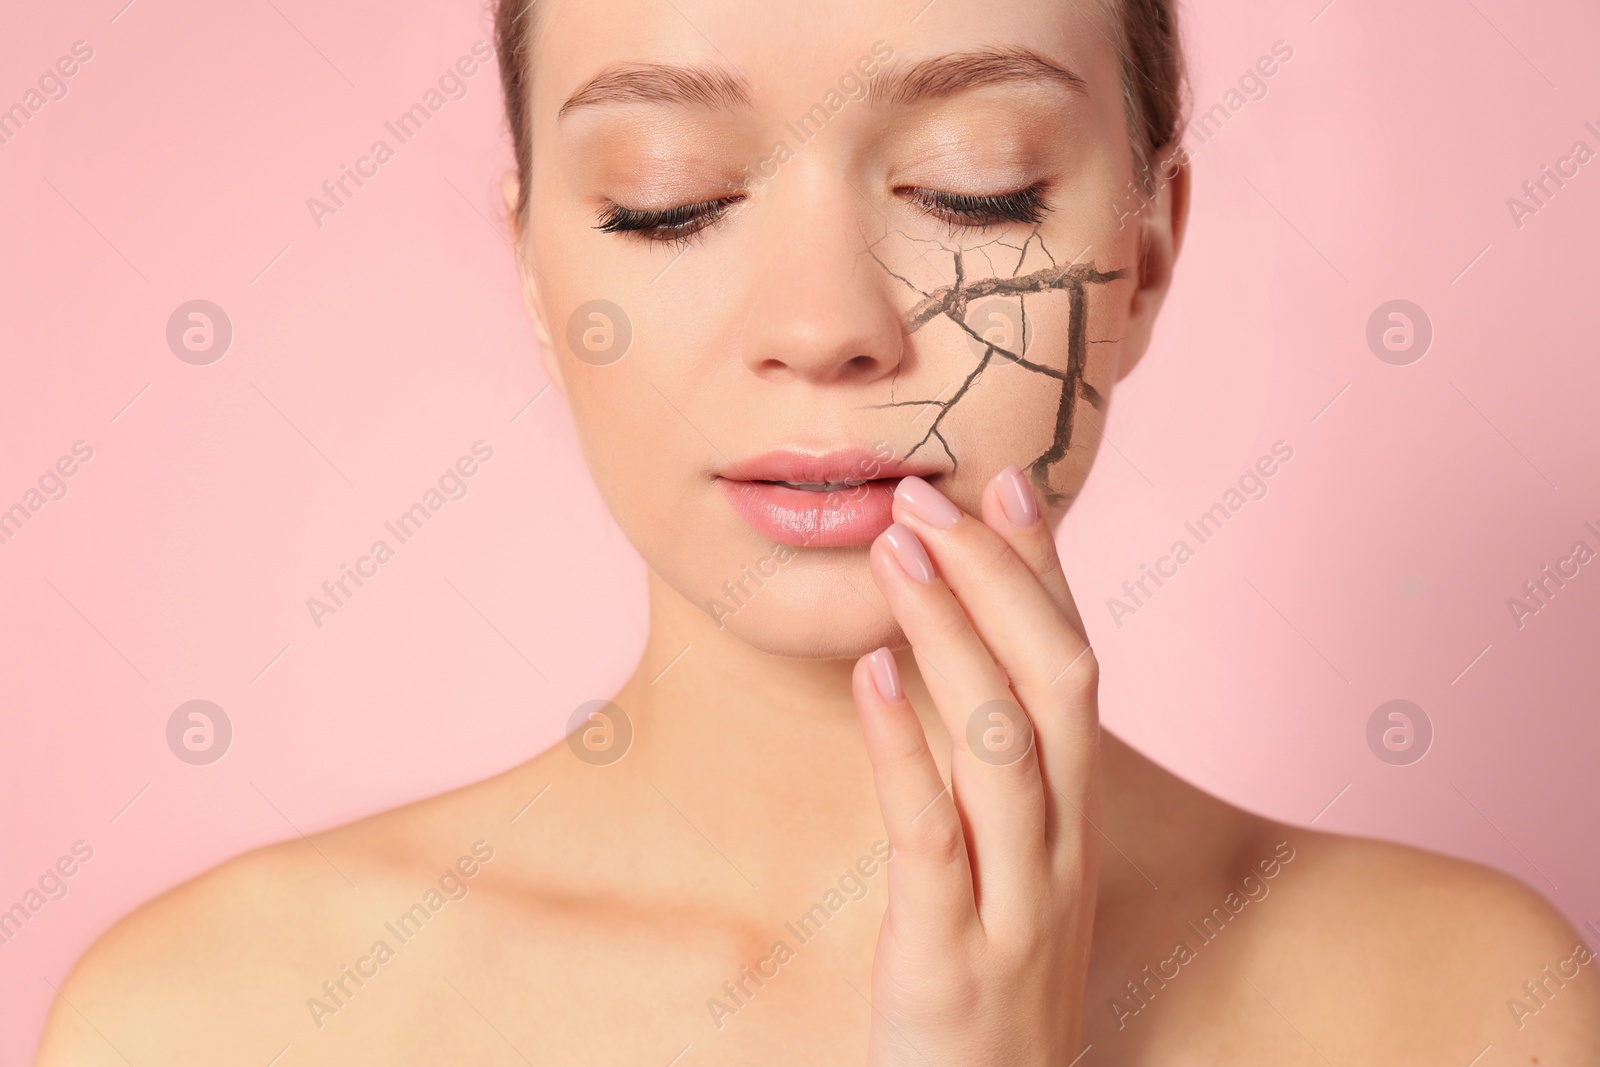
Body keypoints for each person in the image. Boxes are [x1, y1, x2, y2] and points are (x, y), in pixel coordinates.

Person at [36, 0, 1600, 1062]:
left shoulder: (1465, 1002)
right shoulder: (218, 1020)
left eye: (973, 190)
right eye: (668, 200)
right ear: (530, 265)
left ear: (1147, 253)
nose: (826, 327)